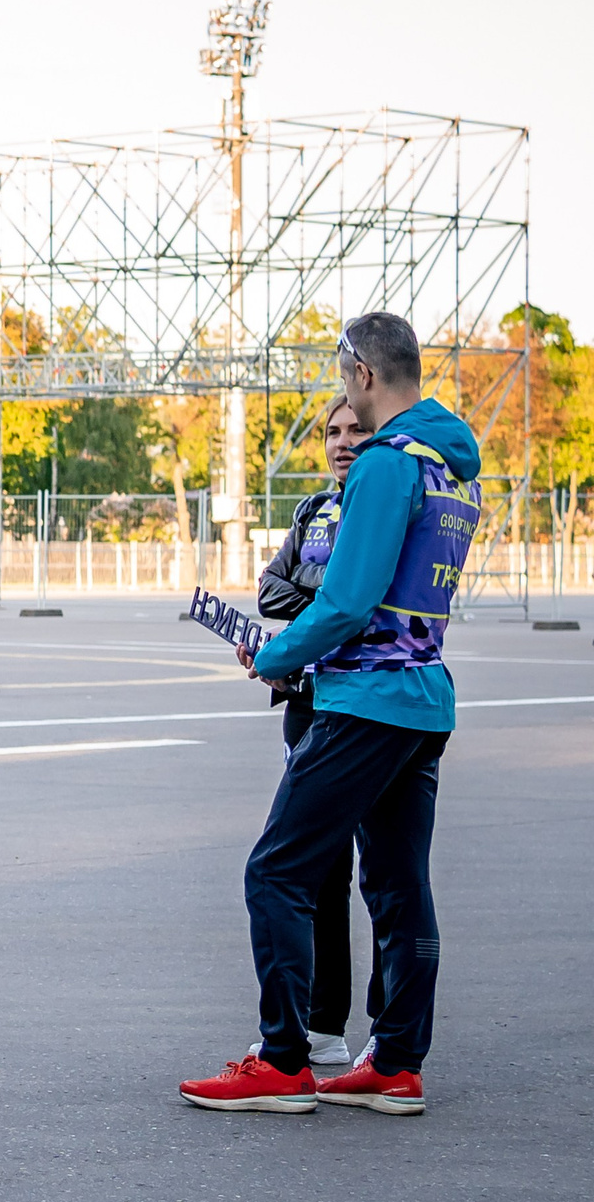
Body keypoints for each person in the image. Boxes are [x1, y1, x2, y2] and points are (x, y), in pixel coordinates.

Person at [180, 311, 480, 1117]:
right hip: (423, 699)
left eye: (346, 377)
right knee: (397, 882)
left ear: (363, 374)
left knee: (277, 869)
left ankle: (282, 1060)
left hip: (363, 700)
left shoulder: (387, 465)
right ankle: (397, 1059)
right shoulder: (454, 468)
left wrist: (277, 656)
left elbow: (347, 602)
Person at [249, 393, 374, 1068]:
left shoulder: (380, 503)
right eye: (332, 430)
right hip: (307, 700)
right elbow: (271, 589)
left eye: (357, 427)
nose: (342, 440)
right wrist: (324, 599)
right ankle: (320, 1024)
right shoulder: (312, 511)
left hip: (363, 704)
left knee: (377, 872)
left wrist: (324, 601)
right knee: (318, 869)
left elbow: (359, 602)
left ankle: (366, 1027)